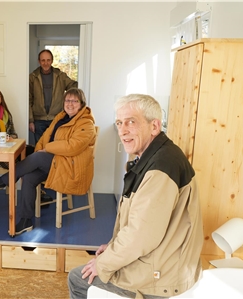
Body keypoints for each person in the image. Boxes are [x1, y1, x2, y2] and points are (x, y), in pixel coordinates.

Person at [67, 94, 203, 299]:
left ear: (154, 126)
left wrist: (104, 263)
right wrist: (113, 247)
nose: (123, 130)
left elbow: (141, 237)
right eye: (119, 123)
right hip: (162, 259)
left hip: (163, 276)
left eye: (131, 122)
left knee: (78, 279)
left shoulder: (160, 169)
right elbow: (141, 226)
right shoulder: (156, 157)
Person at [0, 88, 96, 235]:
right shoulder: (61, 117)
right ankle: (25, 220)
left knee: (37, 157)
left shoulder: (86, 124)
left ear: (82, 104)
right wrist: (40, 148)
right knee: (28, 177)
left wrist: (46, 149)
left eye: (75, 101)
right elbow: (45, 135)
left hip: (70, 166)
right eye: (67, 100)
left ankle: (5, 180)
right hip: (55, 163)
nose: (70, 104)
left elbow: (72, 147)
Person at [29, 49, 78, 144]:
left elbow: (73, 86)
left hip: (57, 118)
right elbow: (28, 99)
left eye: (48, 60)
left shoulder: (60, 76)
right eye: (43, 60)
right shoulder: (32, 77)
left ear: (52, 60)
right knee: (40, 148)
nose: (46, 63)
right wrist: (30, 120)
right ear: (39, 61)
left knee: (55, 148)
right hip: (38, 120)